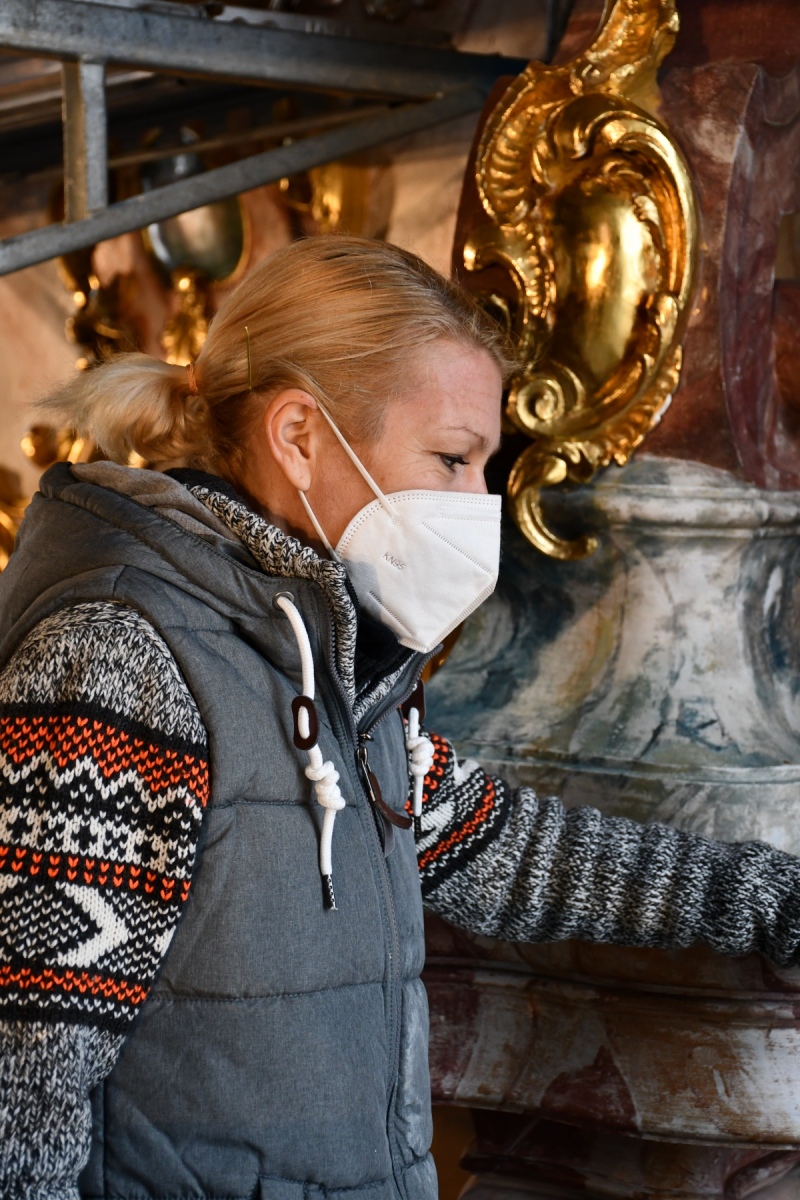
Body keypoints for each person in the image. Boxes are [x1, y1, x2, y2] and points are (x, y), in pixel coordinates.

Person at [1, 235, 800, 1200]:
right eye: (452, 459)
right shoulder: (118, 659)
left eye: (484, 466)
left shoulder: (328, 644)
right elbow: (24, 1088)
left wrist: (772, 898)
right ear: (300, 437)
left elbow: (508, 852)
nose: (477, 504)